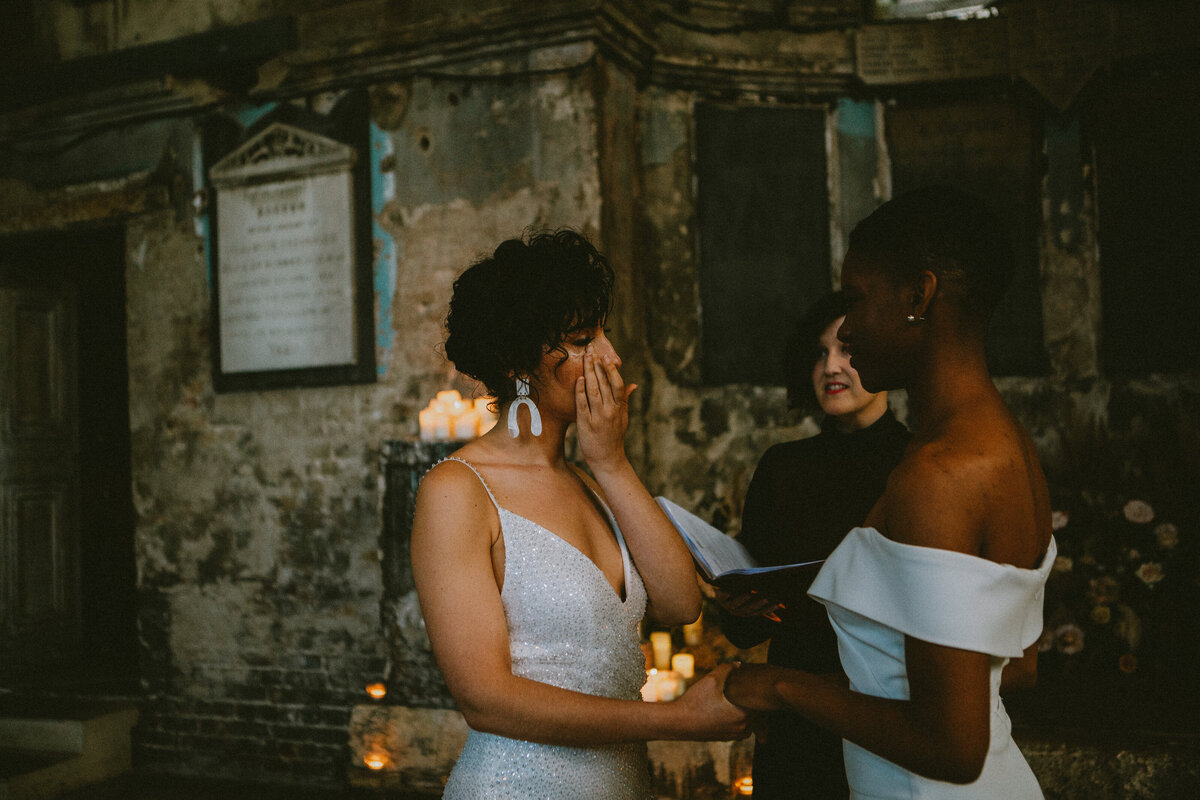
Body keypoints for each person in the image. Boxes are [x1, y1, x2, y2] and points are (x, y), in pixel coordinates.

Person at [723, 186, 1056, 799]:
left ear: (918, 297)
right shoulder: (1009, 446)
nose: (844, 327)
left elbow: (951, 748)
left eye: (855, 298)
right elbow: (1018, 666)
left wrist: (778, 686)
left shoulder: (938, 474)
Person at [411, 229, 747, 799]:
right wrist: (677, 721)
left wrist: (613, 463)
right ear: (519, 361)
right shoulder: (457, 491)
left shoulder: (594, 482)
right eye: (584, 338)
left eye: (604, 334)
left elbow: (680, 603)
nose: (611, 357)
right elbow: (484, 698)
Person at [715, 290, 910, 798]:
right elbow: (744, 628)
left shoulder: (917, 465)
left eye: (847, 349)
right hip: (793, 715)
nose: (831, 366)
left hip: (885, 707)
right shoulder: (782, 466)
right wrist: (736, 605)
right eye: (820, 353)